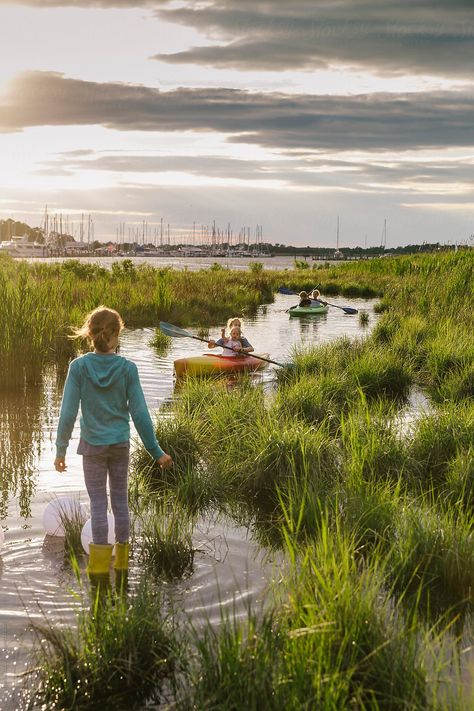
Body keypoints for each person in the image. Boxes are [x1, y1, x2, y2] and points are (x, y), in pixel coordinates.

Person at [54, 306, 172, 578]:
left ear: (90, 334)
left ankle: (97, 571)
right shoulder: (128, 369)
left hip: (92, 448)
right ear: (117, 334)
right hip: (119, 445)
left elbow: (68, 412)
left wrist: (60, 450)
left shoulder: (79, 367)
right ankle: (121, 565)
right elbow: (140, 413)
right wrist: (156, 451)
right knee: (120, 502)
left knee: (97, 504)